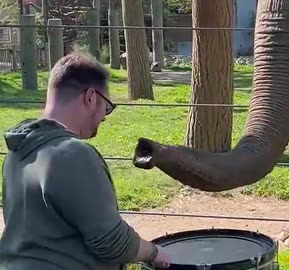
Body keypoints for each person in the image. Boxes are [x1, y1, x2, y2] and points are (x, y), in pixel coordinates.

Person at [0, 52, 171, 270]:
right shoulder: (72, 153)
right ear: (91, 97)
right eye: (106, 106)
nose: (104, 117)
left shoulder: (17, 152)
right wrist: (154, 252)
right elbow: (111, 242)